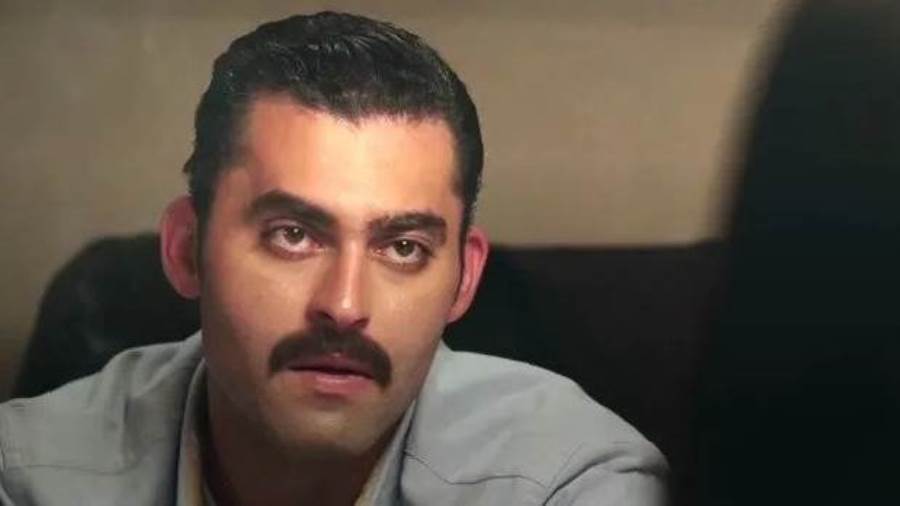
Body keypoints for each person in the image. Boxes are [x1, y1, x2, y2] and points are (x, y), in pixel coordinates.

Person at [0, 11, 666, 505]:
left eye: (403, 247)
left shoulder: (564, 484)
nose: (345, 306)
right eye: (293, 235)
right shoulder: (29, 475)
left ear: (464, 278)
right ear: (185, 250)